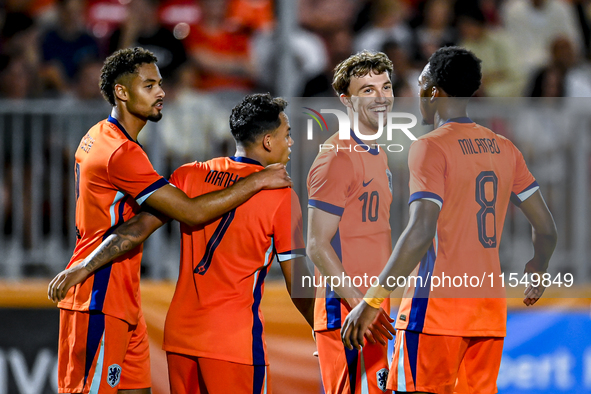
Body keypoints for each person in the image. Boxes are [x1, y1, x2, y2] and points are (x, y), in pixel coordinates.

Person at [48, 48, 291, 394]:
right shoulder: (122, 154)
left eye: (160, 84)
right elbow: (190, 212)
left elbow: (134, 227)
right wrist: (257, 179)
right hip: (98, 295)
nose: (161, 92)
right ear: (121, 91)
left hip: (123, 296)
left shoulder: (100, 135)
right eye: (149, 86)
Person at [341, 46, 558, 394]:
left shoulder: (431, 146)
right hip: (488, 312)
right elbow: (546, 227)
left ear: (432, 91)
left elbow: (421, 231)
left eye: (421, 83)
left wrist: (372, 300)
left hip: (436, 311)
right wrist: (538, 265)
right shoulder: (505, 148)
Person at [306, 50, 396, 394]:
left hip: (371, 310)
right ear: (346, 100)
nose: (381, 97)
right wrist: (359, 304)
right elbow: (316, 244)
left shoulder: (378, 153)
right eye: (368, 90)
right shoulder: (337, 156)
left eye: (385, 87)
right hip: (349, 311)